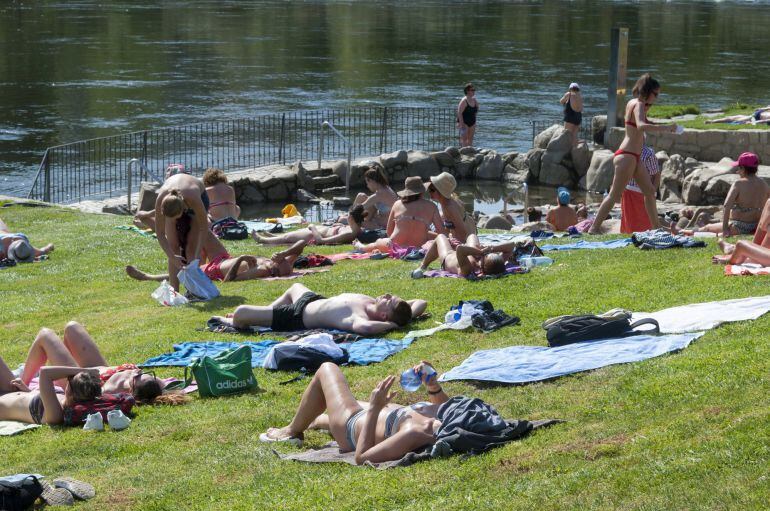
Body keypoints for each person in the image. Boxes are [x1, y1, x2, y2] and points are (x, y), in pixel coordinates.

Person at [258, 361, 448, 464]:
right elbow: (447, 407)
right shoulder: (449, 418)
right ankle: (318, 421)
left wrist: (374, 408)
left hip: (353, 424)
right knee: (334, 402)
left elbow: (362, 456)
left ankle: (292, 431)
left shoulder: (416, 431)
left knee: (327, 370)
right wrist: (433, 386)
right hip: (386, 414)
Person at [589, 74, 677, 234]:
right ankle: (594, 228)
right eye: (655, 94)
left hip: (634, 157)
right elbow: (642, 126)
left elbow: (645, 123)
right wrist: (666, 128)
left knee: (650, 191)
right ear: (648, 91)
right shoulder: (638, 105)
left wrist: (666, 126)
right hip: (627, 156)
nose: (656, 98)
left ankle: (656, 229)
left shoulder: (636, 103)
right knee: (614, 194)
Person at [17, 323, 185, 405]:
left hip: (79, 378)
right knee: (72, 327)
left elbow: (84, 397)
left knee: (45, 336)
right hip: (98, 369)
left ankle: (19, 387)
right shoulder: (152, 383)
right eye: (141, 373)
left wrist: (32, 392)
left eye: (137, 377)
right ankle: (60, 361)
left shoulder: (114, 391)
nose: (136, 373)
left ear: (130, 391)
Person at [213, 283, 427, 336]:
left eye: (389, 301)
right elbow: (420, 302)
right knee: (295, 287)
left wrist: (391, 325)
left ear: (383, 315)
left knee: (241, 312)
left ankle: (236, 322)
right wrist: (406, 318)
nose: (387, 295)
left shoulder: (360, 317)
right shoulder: (374, 304)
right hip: (312, 300)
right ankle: (264, 312)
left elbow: (366, 328)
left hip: (297, 317)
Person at [0, 333, 102, 425]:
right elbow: (37, 400)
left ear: (70, 392)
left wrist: (87, 370)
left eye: (70, 379)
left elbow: (45, 372)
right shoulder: (62, 401)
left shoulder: (56, 415)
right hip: (10, 390)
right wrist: (26, 390)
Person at [127, 232, 308, 282]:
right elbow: (301, 244)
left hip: (215, 270)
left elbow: (231, 279)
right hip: (222, 258)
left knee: (188, 271)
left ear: (275, 271)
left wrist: (242, 258)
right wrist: (284, 253)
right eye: (283, 259)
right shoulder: (285, 263)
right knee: (203, 230)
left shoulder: (261, 271)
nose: (279, 260)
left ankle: (147, 277)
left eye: (280, 262)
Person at [673, 152, 770, 237]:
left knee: (708, 228)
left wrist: (725, 229)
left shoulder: (739, 184)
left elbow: (727, 206)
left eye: (738, 168)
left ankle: (682, 232)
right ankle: (685, 231)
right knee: (714, 231)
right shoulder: (765, 184)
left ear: (743, 168)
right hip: (757, 226)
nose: (737, 171)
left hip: (739, 226)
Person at [353, 177, 446, 253]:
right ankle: (362, 247)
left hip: (394, 246)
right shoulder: (431, 206)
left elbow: (389, 232)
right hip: (418, 246)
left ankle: (361, 247)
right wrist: (425, 232)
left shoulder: (397, 204)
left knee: (378, 242)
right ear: (422, 192)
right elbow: (441, 232)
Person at [154, 173, 211, 291]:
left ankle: (193, 290)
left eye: (176, 218)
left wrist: (196, 255)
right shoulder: (161, 200)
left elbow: (203, 228)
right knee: (173, 246)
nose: (175, 221)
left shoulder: (193, 198)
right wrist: (172, 256)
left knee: (191, 248)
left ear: (183, 210)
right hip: (175, 199)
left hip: (197, 194)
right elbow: (159, 233)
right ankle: (174, 291)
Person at [253, 205, 367, 246]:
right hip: (318, 230)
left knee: (287, 238)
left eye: (348, 215)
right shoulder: (357, 228)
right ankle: (273, 236)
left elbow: (321, 241)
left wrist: (312, 227)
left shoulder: (349, 233)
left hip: (313, 235)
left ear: (351, 218)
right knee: (289, 236)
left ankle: (263, 240)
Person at [415, 234, 508, 278]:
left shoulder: (469, 268)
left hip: (448, 257)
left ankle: (423, 265)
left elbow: (460, 249)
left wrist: (480, 251)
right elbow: (511, 246)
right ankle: (454, 239)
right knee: (472, 235)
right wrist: (491, 249)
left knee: (440, 237)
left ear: (483, 266)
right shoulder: (496, 264)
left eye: (486, 255)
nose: (485, 254)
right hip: (465, 254)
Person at [426, 172, 476, 243]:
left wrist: (454, 244)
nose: (429, 192)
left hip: (466, 237)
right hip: (469, 229)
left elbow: (462, 232)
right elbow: (449, 226)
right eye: (429, 188)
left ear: (441, 191)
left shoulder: (449, 207)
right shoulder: (447, 200)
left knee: (424, 234)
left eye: (432, 190)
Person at [620, 147, 661, 234]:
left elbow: (656, 175)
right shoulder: (627, 150)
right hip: (628, 191)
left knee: (645, 222)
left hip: (642, 193)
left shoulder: (649, 154)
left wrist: (653, 193)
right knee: (629, 221)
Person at [457, 83, 479, 148]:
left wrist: (474, 119)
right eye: (472, 90)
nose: (474, 91)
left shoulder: (474, 100)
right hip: (464, 122)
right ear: (467, 91)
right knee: (464, 140)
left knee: (470, 140)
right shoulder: (464, 100)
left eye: (474, 90)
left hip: (472, 122)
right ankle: (464, 154)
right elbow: (459, 112)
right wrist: (461, 123)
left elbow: (477, 109)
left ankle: (470, 154)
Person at [705, 106, 770, 125]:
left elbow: (765, 121)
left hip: (756, 117)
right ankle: (712, 121)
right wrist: (763, 108)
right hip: (759, 113)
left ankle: (712, 121)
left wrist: (752, 122)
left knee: (734, 118)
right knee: (735, 117)